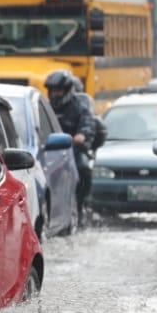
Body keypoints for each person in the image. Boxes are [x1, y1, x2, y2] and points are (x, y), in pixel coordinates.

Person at [45, 69, 97, 222]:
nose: (56, 94)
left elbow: (88, 123)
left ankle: (81, 203)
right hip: (50, 152)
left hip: (73, 151)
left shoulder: (80, 107)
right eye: (53, 91)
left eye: (59, 90)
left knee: (83, 169)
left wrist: (82, 135)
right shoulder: (46, 109)